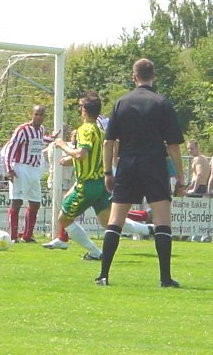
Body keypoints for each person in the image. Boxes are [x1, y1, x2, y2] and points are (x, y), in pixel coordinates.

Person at [95, 58, 186, 287]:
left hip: (127, 163)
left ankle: (104, 274)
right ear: (153, 76)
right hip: (154, 163)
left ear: (133, 76)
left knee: (115, 220)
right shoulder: (162, 103)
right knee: (162, 220)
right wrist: (181, 177)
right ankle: (165, 278)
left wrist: (108, 171)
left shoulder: (121, 103)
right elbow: (173, 144)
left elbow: (109, 142)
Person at [42, 92, 154, 258]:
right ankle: (147, 229)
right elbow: (91, 158)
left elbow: (81, 154)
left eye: (80, 107)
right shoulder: (100, 131)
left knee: (63, 219)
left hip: (87, 184)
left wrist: (62, 145)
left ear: (85, 111)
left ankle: (95, 253)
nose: (79, 111)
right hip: (100, 184)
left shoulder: (85, 130)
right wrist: (72, 160)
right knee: (108, 221)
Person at [4, 105, 56, 243]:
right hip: (21, 167)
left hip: (34, 169)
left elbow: (40, 141)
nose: (39, 117)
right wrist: (9, 169)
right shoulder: (22, 130)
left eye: (41, 115)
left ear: (45, 116)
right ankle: (13, 236)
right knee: (17, 201)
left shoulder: (41, 130)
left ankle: (27, 235)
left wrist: (51, 138)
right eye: (36, 114)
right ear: (32, 114)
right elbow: (10, 148)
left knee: (35, 203)